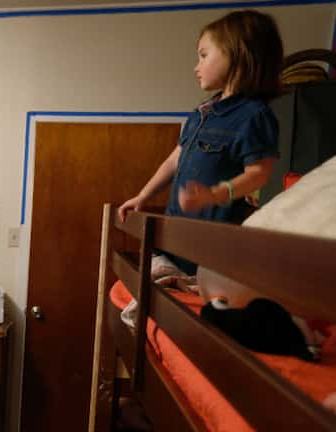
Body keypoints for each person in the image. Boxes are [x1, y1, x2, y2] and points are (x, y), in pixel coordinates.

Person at [118, 9, 284, 273]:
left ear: (237, 54)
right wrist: (144, 195)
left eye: (204, 55)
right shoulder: (201, 112)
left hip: (213, 244)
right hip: (177, 234)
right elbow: (175, 159)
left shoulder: (254, 116)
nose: (197, 66)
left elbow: (259, 174)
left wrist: (214, 194)